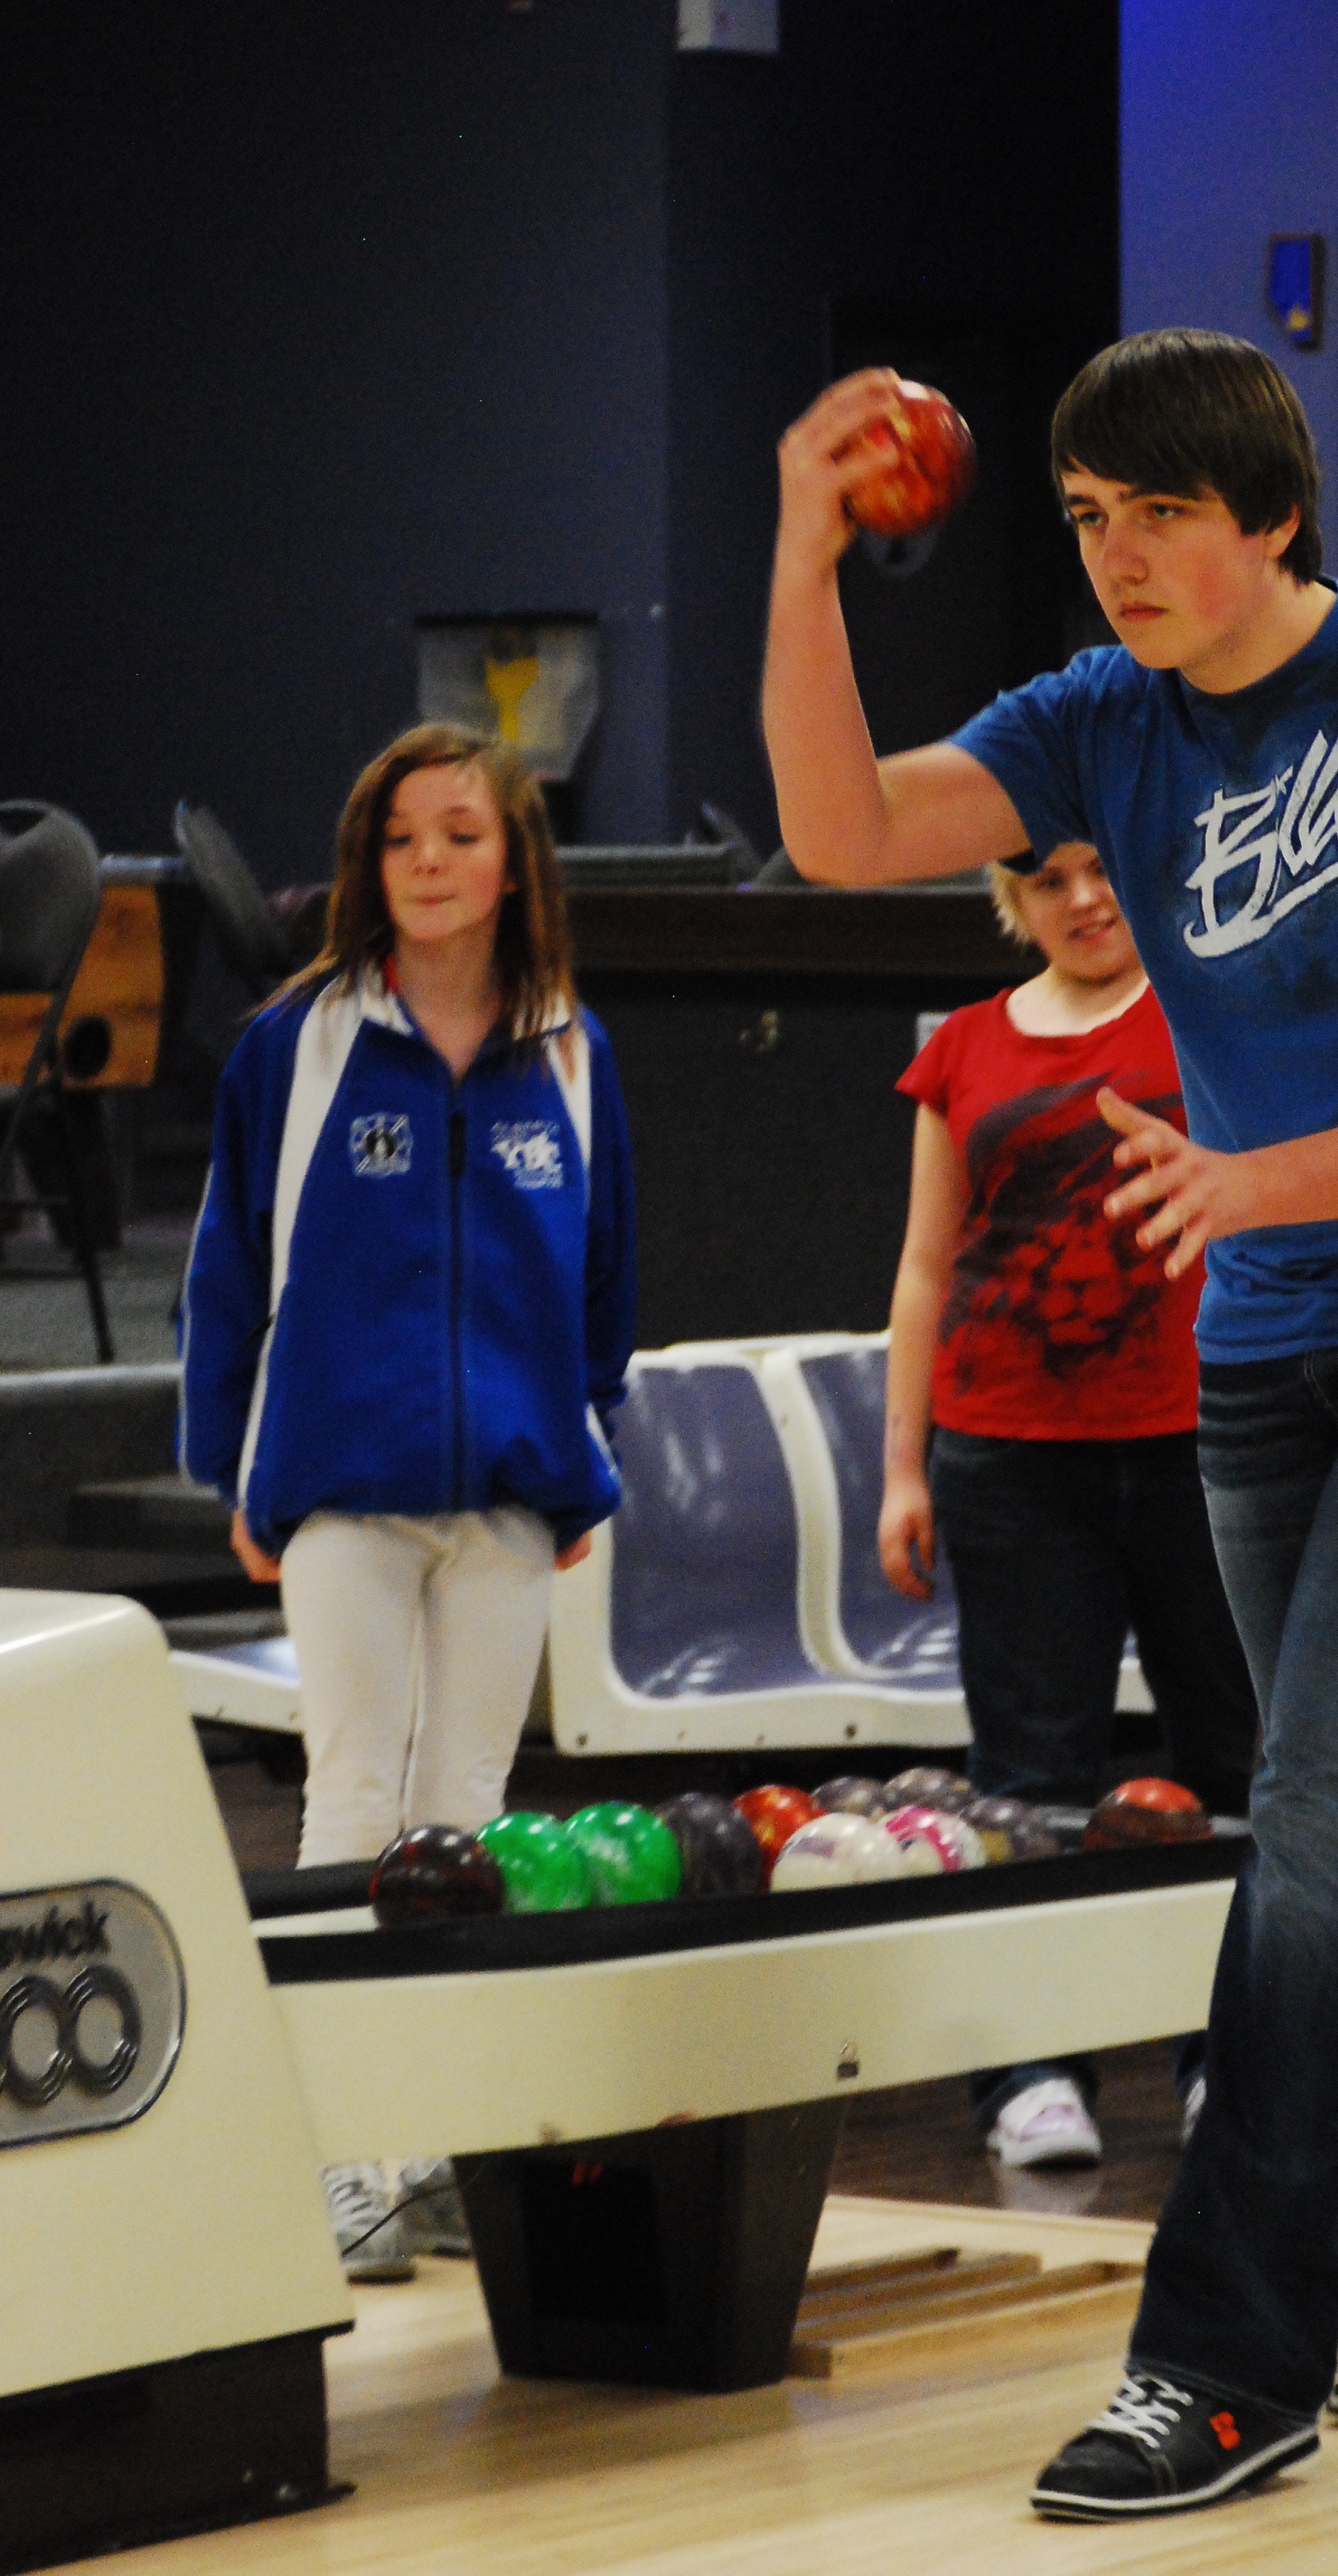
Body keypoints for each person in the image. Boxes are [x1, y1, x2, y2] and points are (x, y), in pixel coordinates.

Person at [764, 329, 1338, 2521]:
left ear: (1268, 516)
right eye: (1084, 521)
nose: (1119, 558)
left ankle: (1227, 2362)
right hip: (1279, 1332)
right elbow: (844, 827)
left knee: (1335, 1810)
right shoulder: (1107, 727)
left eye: (1159, 513)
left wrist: (1246, 1177)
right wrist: (804, 554)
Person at [180, 722, 635, 2279]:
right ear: (370, 865)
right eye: (402, 839)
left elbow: (606, 1279)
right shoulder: (292, 1047)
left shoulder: (572, 1045)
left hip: (510, 1506)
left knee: (472, 1825)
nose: (430, 863)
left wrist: (581, 1448)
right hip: (343, 1498)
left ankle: (433, 2145)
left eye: (460, 835)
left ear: (516, 861)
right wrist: (228, 1466)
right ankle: (334, 2160)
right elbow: (226, 1273)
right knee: (353, 1802)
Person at [882, 839, 1258, 2169]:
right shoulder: (967, 1048)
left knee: (1228, 1768)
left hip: (1204, 1449)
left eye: (1108, 867)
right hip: (1010, 1458)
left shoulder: (1217, 1004)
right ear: (1012, 900)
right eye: (1050, 880)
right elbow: (927, 1270)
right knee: (1029, 1784)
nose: (1088, 898)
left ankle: (1232, 2059)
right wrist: (901, 1469)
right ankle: (1027, 2075)